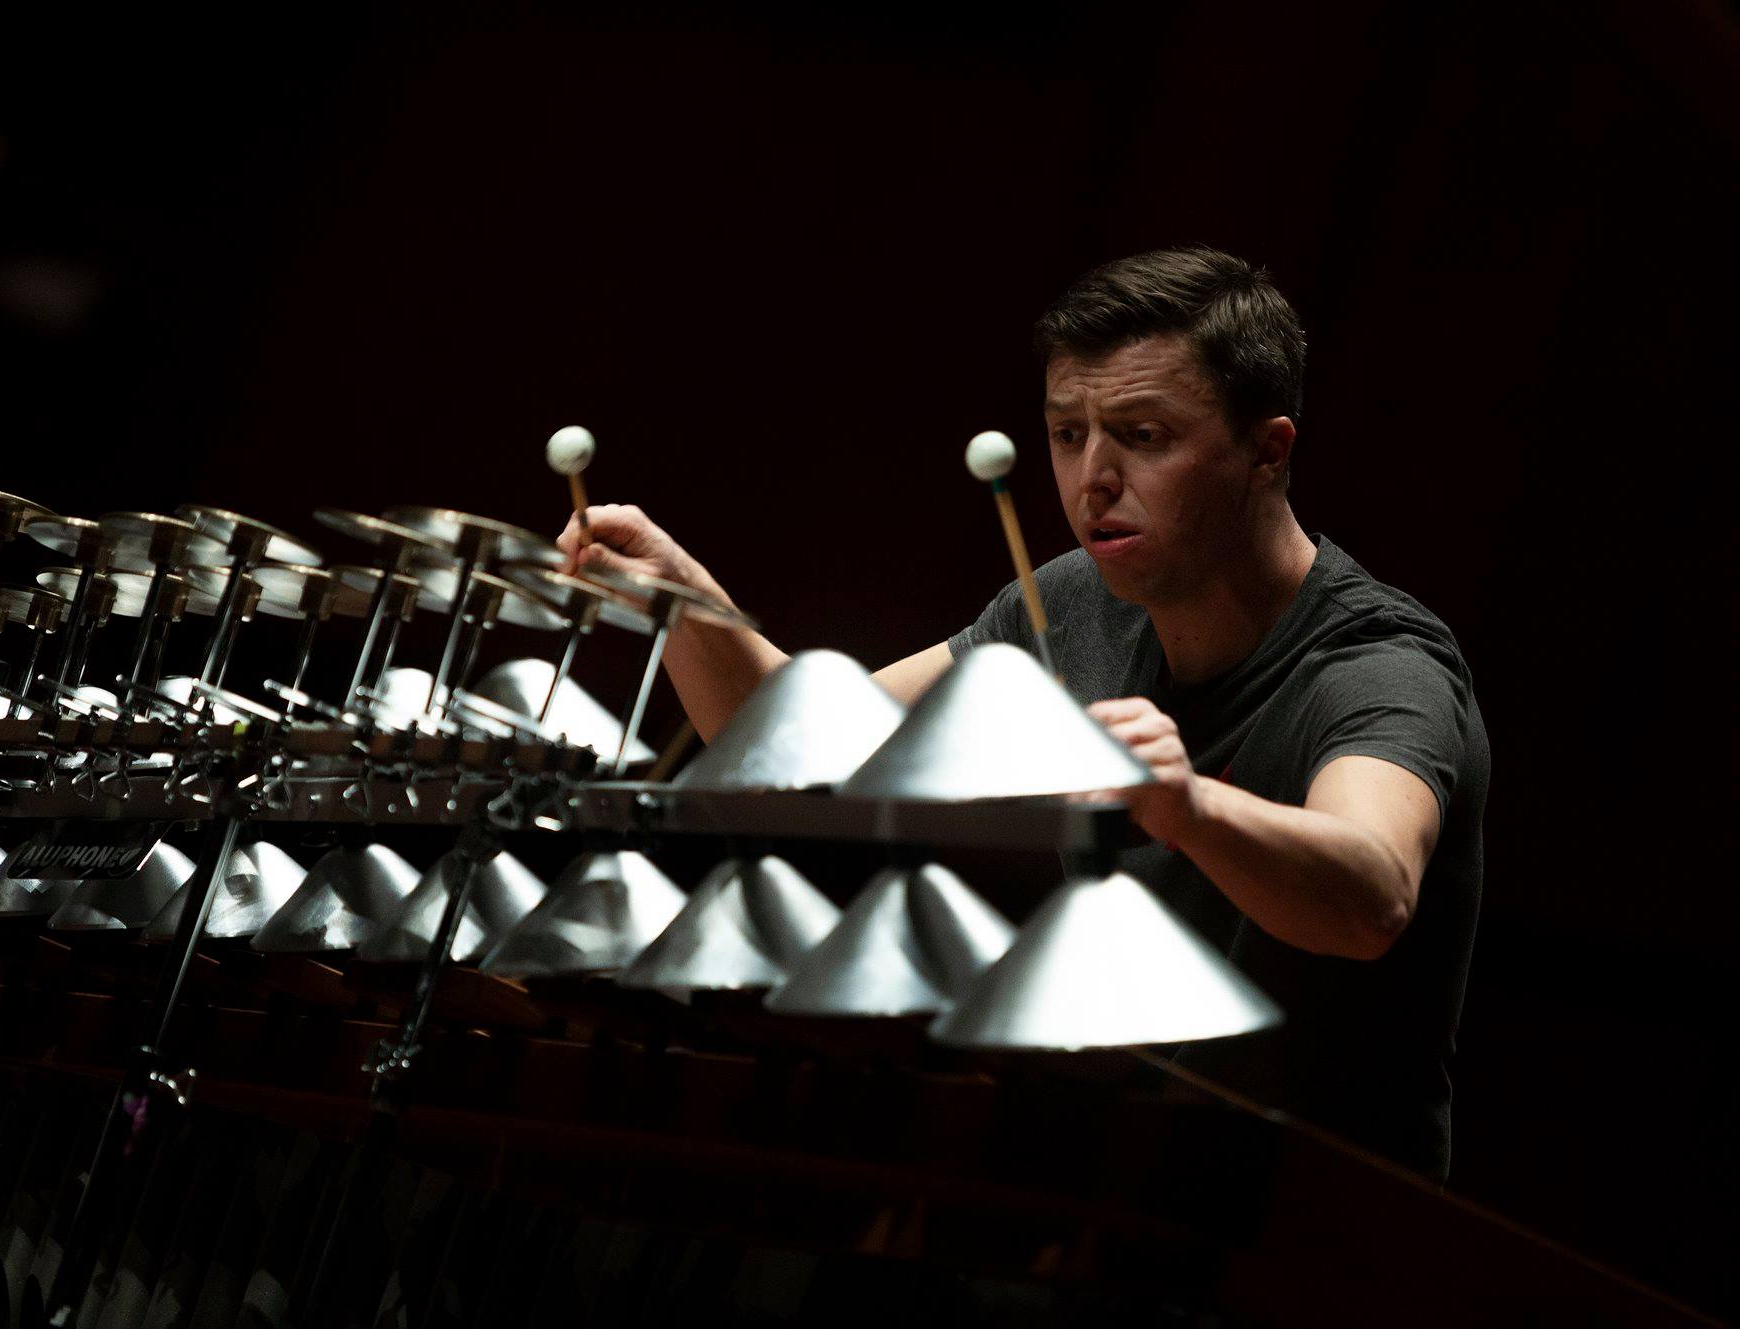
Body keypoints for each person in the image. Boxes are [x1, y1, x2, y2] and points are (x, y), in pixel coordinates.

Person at [556, 246, 1488, 1181]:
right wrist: (686, 604)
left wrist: (1189, 806)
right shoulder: (1074, 606)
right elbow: (806, 740)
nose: (1092, 479)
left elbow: (1372, 895)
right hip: (1130, 1179)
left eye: (1143, 435)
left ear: (1266, 451)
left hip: (1327, 1233)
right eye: (1067, 433)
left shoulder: (1373, 662)